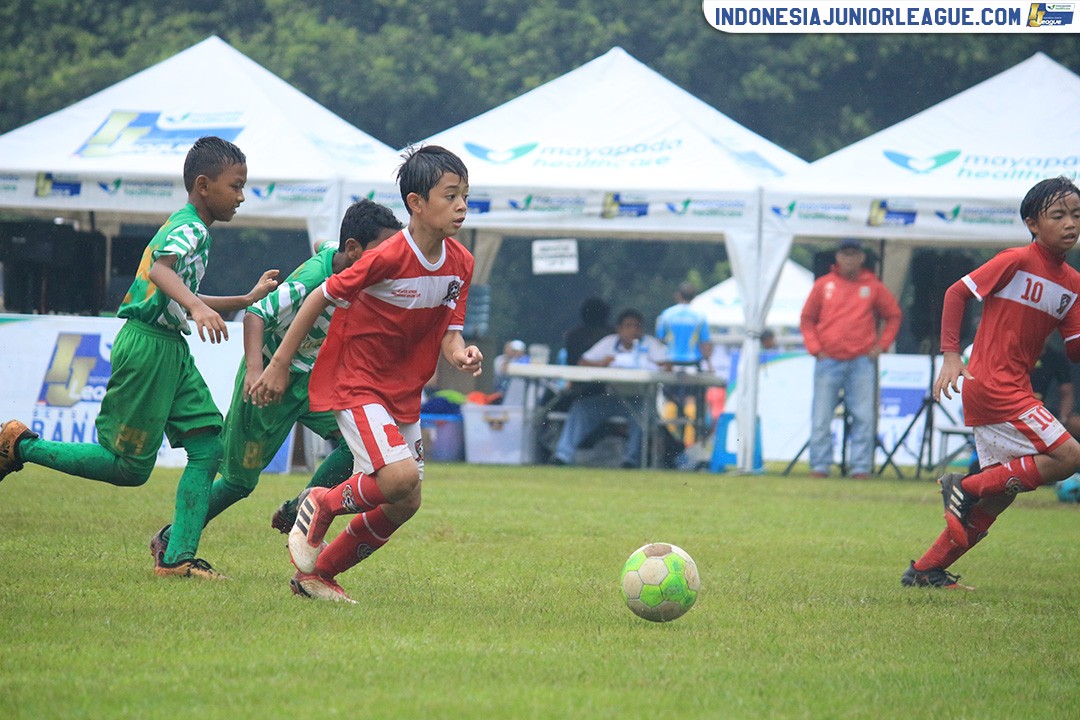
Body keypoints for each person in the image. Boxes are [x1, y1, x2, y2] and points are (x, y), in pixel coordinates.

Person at [0, 136, 280, 579]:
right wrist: (197, 306)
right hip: (149, 345)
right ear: (204, 185)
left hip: (170, 345)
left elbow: (175, 289)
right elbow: (160, 272)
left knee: (208, 447)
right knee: (127, 468)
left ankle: (177, 559)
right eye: (236, 186)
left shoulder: (194, 229)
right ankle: (19, 445)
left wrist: (242, 298)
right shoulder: (187, 226)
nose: (242, 197)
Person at [249, 144, 482, 603]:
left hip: (403, 391)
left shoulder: (462, 264)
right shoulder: (388, 256)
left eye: (465, 196)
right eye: (450, 195)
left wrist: (462, 354)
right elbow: (319, 297)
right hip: (357, 382)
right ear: (415, 203)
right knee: (398, 479)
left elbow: (451, 335)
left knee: (405, 501)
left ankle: (317, 576)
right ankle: (321, 502)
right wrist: (277, 366)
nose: (461, 206)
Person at [147, 199, 404, 560]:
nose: (390, 261)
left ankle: (303, 506)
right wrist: (257, 372)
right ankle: (171, 538)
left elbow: (324, 246)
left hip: (314, 382)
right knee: (238, 482)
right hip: (269, 383)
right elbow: (255, 314)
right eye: (384, 251)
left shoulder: (348, 260)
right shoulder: (315, 280)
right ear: (354, 249)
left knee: (357, 443)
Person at [904, 176, 1080, 590]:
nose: (1071, 223)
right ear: (1032, 223)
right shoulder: (1014, 259)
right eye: (1058, 215)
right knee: (1070, 456)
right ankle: (961, 485)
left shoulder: (1072, 283)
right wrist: (951, 355)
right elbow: (955, 293)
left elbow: (1074, 350)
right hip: (997, 386)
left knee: (1000, 494)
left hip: (1008, 387)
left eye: (1076, 215)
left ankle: (926, 571)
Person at [799, 238, 902, 479]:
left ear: (861, 258)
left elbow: (893, 315)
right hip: (828, 359)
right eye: (845, 254)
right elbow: (807, 319)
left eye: (854, 254)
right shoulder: (823, 285)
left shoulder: (873, 286)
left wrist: (881, 346)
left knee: (864, 416)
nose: (849, 259)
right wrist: (815, 348)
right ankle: (820, 465)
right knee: (821, 415)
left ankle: (860, 467)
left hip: (861, 362)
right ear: (837, 257)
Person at [552, 309, 669, 469]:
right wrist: (602, 364)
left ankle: (631, 460)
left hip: (640, 399)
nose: (633, 330)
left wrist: (649, 363)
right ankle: (562, 455)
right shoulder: (609, 342)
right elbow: (583, 362)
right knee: (581, 409)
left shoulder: (650, 344)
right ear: (619, 329)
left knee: (643, 415)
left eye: (637, 326)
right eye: (628, 326)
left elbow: (667, 366)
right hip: (612, 398)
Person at [656, 281, 713, 446]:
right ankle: (692, 443)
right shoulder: (700, 316)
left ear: (678, 295)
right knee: (693, 404)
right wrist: (709, 364)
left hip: (671, 365)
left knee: (670, 403)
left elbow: (660, 341)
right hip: (692, 365)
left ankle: (674, 441)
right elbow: (705, 345)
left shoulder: (666, 314)